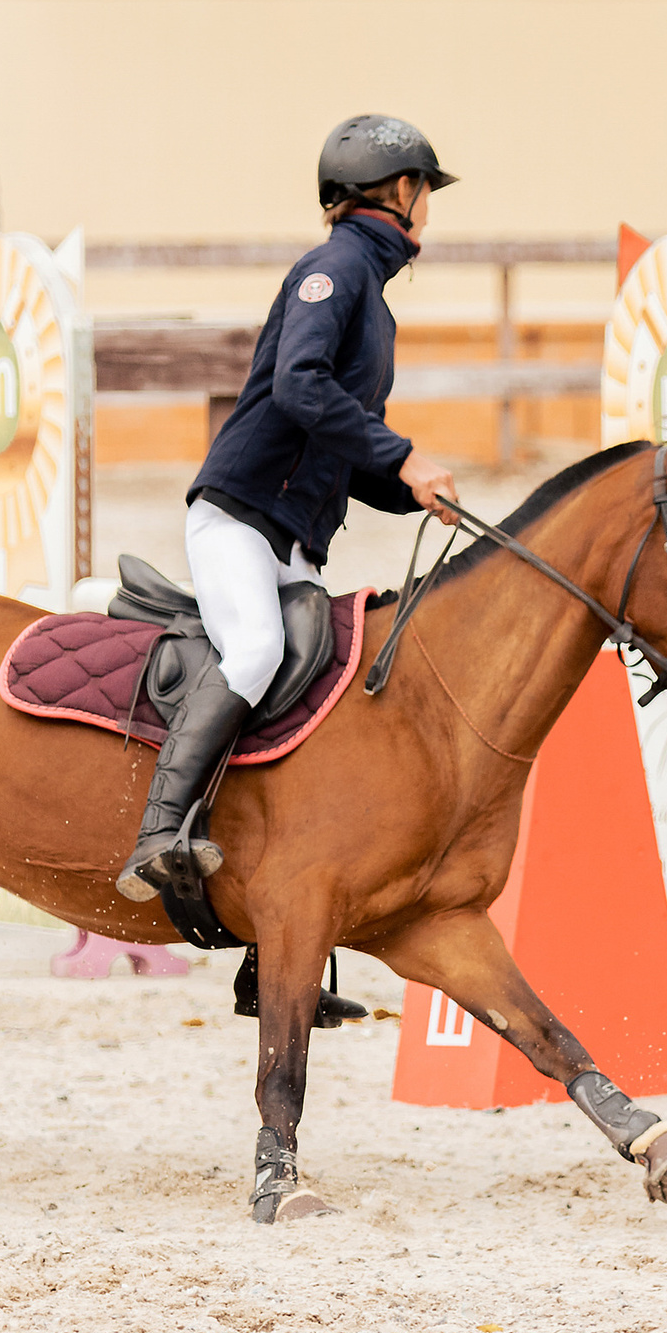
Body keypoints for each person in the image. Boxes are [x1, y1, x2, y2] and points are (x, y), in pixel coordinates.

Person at [115, 114, 463, 904]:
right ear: (401, 190)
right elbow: (299, 386)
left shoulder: (371, 298)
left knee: (325, 681)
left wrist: (409, 488)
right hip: (238, 518)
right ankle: (158, 835)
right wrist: (404, 454)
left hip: (293, 544)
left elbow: (343, 447)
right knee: (257, 651)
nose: (429, 208)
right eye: (426, 191)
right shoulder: (333, 270)